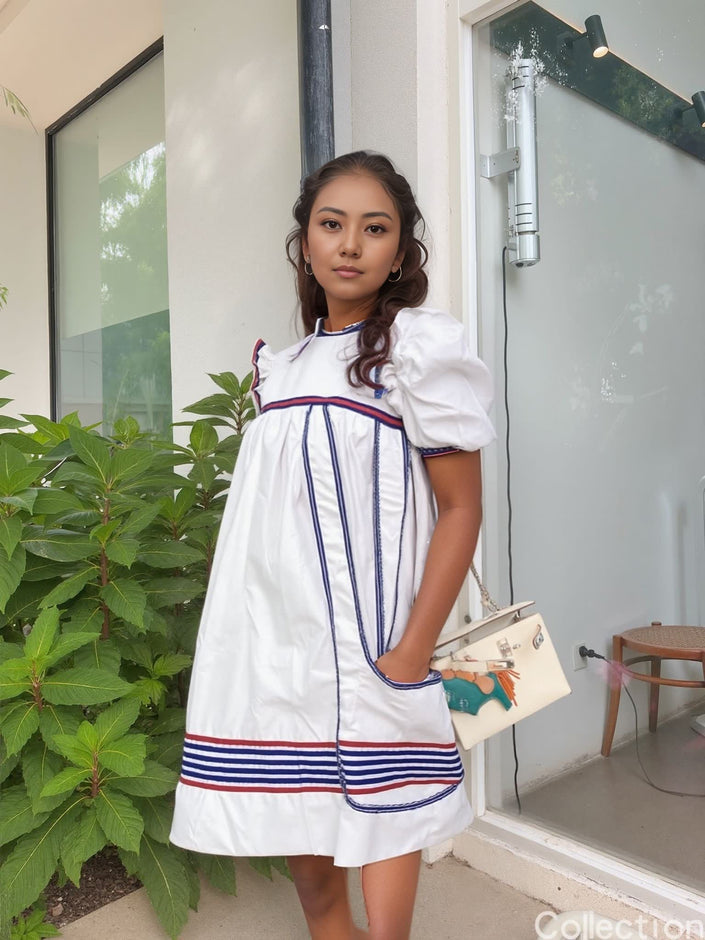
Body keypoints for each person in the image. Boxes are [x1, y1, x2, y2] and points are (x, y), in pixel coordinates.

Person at [169, 151, 496, 939]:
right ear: (305, 244)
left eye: (374, 228)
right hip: (272, 659)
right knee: (310, 872)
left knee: (386, 848)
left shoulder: (415, 353)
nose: (350, 244)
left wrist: (415, 650)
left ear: (399, 253)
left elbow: (460, 510)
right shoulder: (277, 372)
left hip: (376, 649)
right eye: (332, 223)